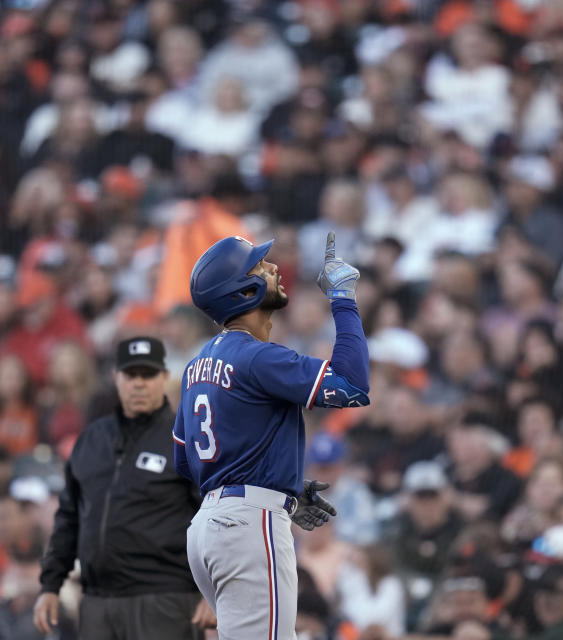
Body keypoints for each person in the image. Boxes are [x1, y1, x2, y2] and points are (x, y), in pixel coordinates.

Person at [175, 233, 370, 637]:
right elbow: (352, 385)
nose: (274, 269)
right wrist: (344, 299)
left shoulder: (196, 365)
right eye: (260, 267)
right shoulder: (256, 356)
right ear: (242, 290)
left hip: (209, 527)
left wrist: (277, 483)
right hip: (248, 526)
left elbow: (186, 461)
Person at [34, 336, 213, 640]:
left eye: (148, 375)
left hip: (165, 598)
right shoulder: (92, 439)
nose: (139, 384)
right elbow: (69, 517)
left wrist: (212, 589)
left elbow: (213, 515)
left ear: (165, 378)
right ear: (116, 378)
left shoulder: (186, 439)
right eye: (131, 375)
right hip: (98, 599)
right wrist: (51, 585)